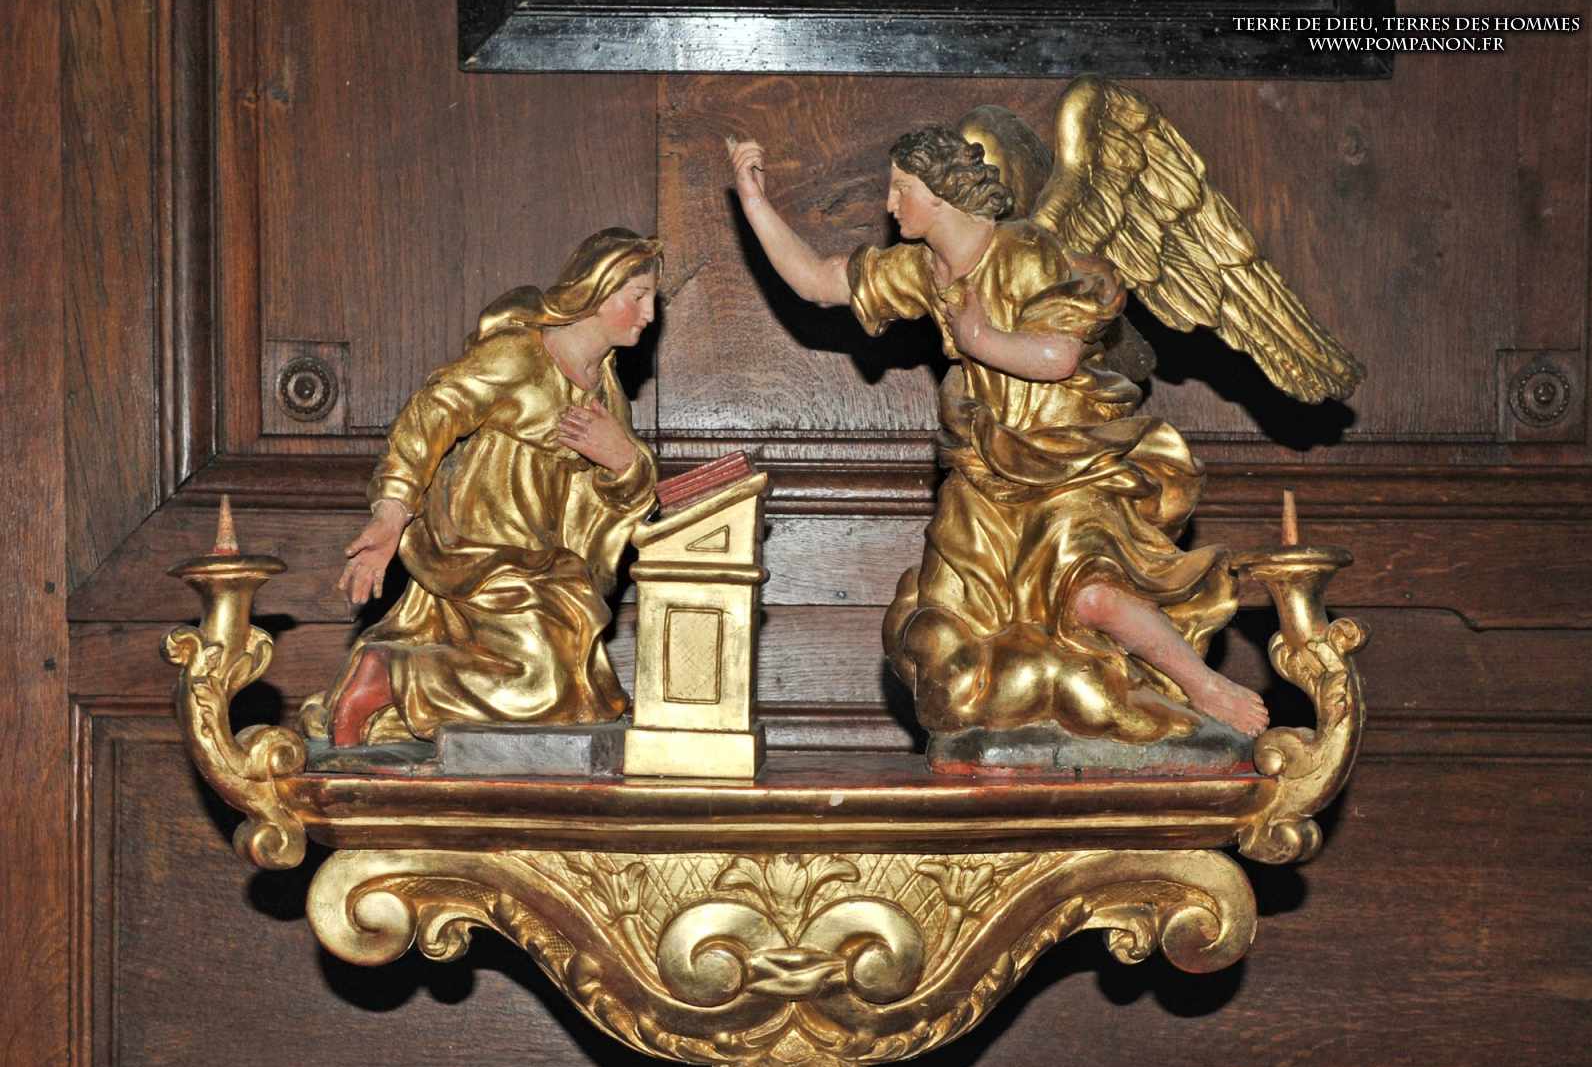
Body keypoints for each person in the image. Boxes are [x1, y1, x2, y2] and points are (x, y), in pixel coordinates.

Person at [728, 130, 1267, 745]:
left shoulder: (1022, 250)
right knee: (943, 620)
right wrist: (754, 202)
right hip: (984, 472)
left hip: (1062, 460)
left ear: (942, 192)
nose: (890, 204)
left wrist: (979, 339)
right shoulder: (923, 267)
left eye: (902, 189)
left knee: (1090, 598)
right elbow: (818, 280)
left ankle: (1203, 686)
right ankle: (1040, 701)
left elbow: (1059, 355)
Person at [303, 228, 662, 748]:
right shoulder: (521, 354)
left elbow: (616, 498)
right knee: (544, 684)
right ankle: (391, 677)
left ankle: (400, 701)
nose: (649, 313)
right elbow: (431, 415)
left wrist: (623, 460)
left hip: (546, 559)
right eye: (639, 296)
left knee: (584, 696)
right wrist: (391, 513)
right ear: (597, 290)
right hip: (480, 548)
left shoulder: (606, 388)